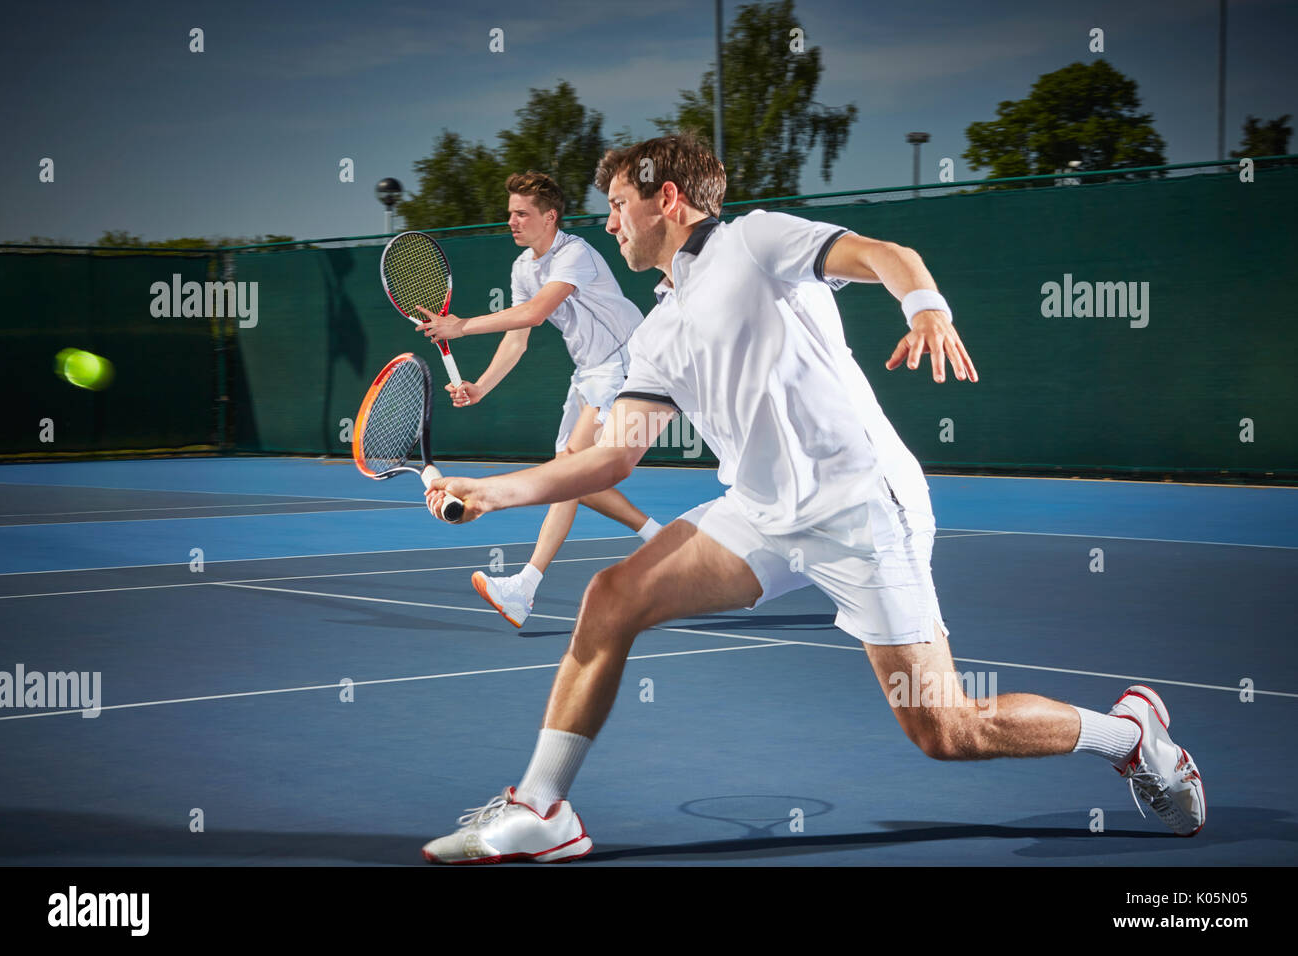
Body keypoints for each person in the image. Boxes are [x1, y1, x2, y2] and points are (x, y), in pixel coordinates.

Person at [419, 133, 1205, 864]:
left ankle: (1130, 736)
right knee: (611, 596)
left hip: (862, 511)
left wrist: (926, 306)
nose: (611, 223)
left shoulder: (754, 242)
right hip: (759, 514)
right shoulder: (657, 331)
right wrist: (491, 492)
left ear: (668, 198)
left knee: (947, 729)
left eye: (619, 204)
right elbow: (611, 458)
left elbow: (885, 253)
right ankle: (545, 809)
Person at [416, 170, 661, 628]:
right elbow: (518, 337)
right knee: (568, 477)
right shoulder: (523, 268)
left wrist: (460, 325)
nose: (512, 221)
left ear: (549, 217)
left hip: (627, 357)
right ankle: (662, 538)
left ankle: (524, 587)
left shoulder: (575, 254)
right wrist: (480, 386)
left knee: (568, 462)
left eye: (521, 214)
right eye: (509, 213)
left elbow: (537, 310)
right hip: (590, 368)